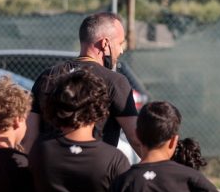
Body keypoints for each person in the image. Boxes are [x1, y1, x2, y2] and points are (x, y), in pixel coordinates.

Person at [24, 12, 143, 156]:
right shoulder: (115, 81)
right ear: (105, 44)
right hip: (97, 171)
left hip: (51, 170)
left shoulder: (47, 76)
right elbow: (136, 139)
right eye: (119, 43)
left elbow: (30, 137)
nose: (122, 50)